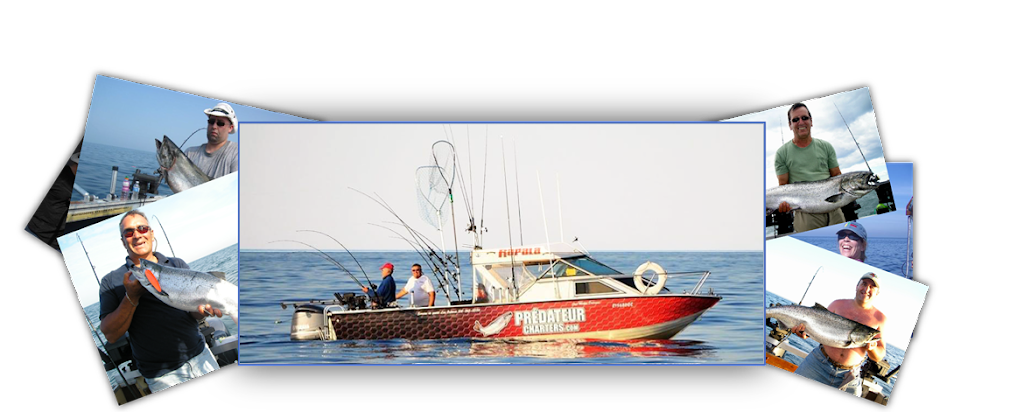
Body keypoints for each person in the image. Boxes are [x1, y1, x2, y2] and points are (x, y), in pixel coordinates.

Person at [98, 210, 223, 393]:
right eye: (129, 232)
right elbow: (110, 335)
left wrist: (203, 310)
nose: (137, 235)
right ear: (123, 241)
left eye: (142, 228)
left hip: (201, 355)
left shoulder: (177, 264)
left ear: (151, 233)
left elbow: (194, 313)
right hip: (162, 376)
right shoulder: (111, 281)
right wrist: (131, 297)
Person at [792, 273, 887, 396]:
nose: (867, 289)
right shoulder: (837, 304)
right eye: (864, 284)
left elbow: (879, 355)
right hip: (818, 364)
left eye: (872, 287)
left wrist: (872, 349)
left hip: (849, 376)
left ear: (877, 293)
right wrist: (805, 333)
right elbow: (819, 328)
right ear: (857, 286)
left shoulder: (880, 318)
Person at [774, 103, 844, 232]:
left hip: (834, 211)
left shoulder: (826, 147)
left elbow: (837, 176)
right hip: (805, 215)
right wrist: (784, 204)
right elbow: (783, 187)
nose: (801, 122)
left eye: (805, 118)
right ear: (790, 125)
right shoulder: (781, 153)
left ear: (811, 121)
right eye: (795, 119)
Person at [183, 102, 239, 179]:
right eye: (211, 121)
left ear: (230, 128)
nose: (214, 126)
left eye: (220, 123)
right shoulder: (189, 153)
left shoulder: (238, 153)